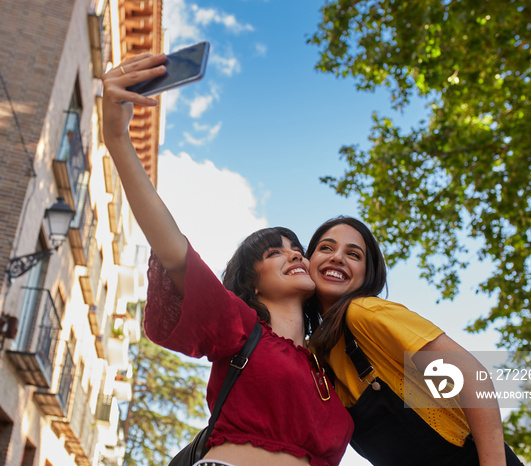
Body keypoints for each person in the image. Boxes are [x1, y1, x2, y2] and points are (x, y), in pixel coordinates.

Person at [101, 53, 353, 466]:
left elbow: (442, 390)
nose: (294, 253)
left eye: (298, 249)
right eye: (275, 252)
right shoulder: (238, 325)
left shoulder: (332, 366)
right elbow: (172, 249)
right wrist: (117, 139)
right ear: (252, 282)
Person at [304, 216, 523, 466]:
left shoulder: (363, 312)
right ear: (307, 262)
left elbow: (472, 376)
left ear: (367, 275)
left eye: (354, 254)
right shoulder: (315, 354)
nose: (337, 257)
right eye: (326, 248)